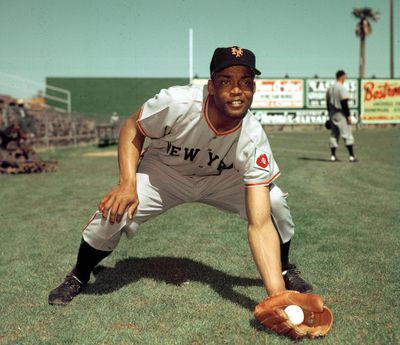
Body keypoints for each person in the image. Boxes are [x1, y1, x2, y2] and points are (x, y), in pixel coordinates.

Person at [48, 46, 312, 306]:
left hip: (221, 180)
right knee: (116, 209)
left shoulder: (253, 137)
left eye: (245, 82)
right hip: (165, 172)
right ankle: (79, 275)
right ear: (211, 86)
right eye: (225, 81)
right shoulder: (177, 102)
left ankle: (285, 270)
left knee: (274, 201)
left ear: (253, 89)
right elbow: (133, 127)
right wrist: (127, 184)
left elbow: (260, 224)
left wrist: (275, 295)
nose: (236, 90)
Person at [326, 70, 357, 162]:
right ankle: (351, 156)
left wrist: (329, 115)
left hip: (332, 113)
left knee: (334, 134)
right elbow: (344, 103)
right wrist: (348, 116)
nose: (345, 78)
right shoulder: (341, 88)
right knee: (347, 134)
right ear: (341, 77)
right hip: (341, 113)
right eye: (345, 76)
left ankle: (333, 156)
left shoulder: (330, 88)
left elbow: (327, 103)